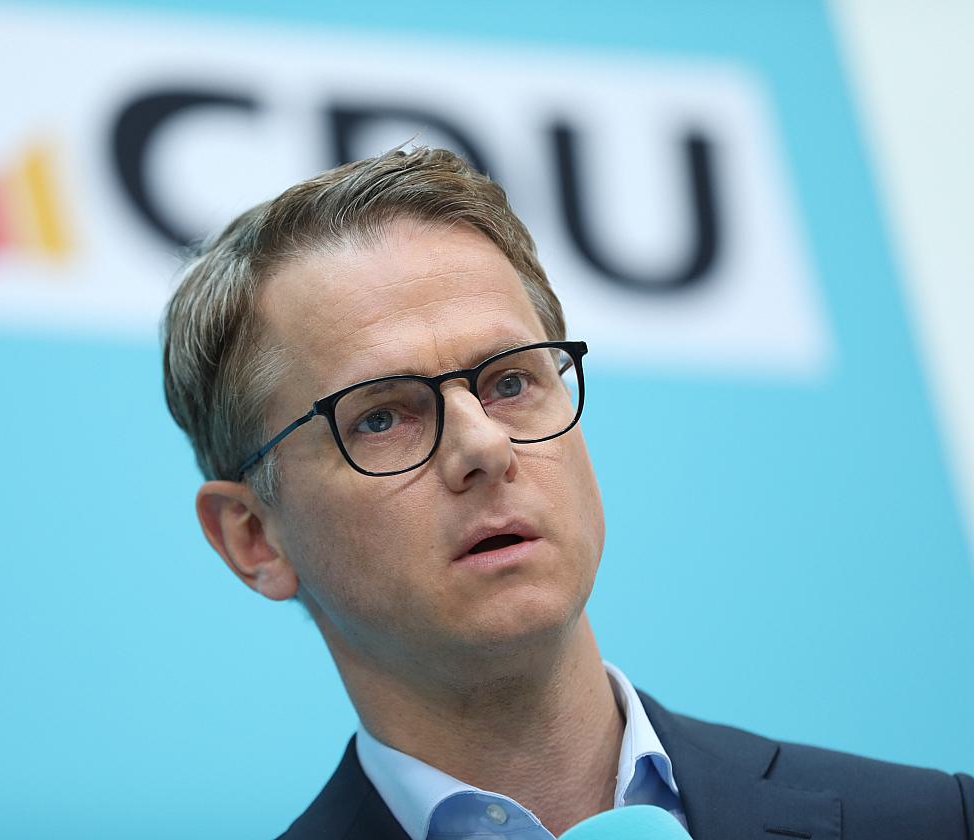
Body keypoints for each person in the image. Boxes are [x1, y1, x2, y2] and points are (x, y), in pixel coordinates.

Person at [160, 147, 973, 840]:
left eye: (511, 381)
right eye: (380, 418)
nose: (484, 446)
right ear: (253, 537)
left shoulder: (933, 821)